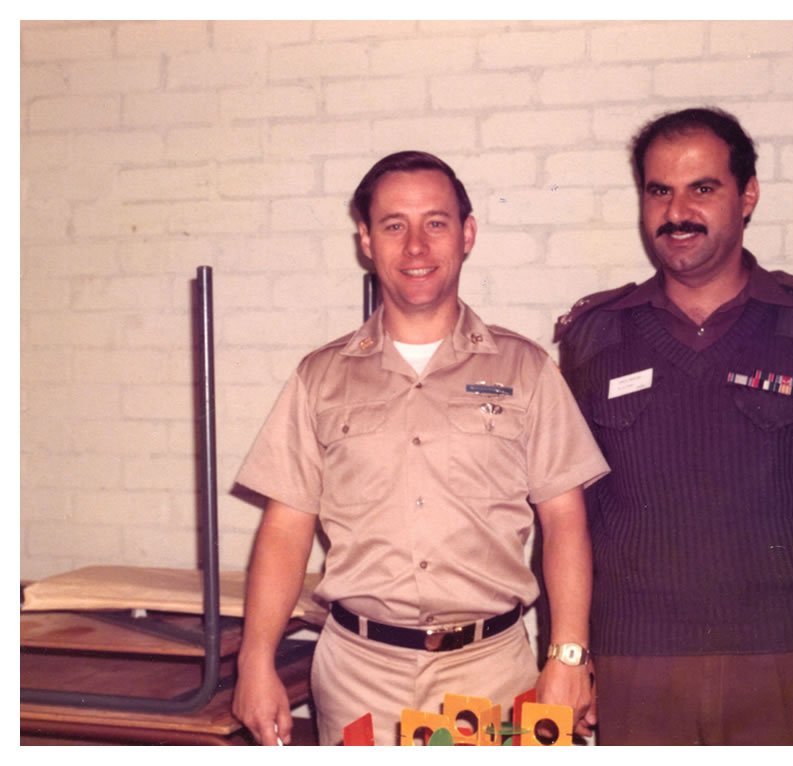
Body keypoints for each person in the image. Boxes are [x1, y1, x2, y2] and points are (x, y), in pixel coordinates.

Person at [232, 150, 609, 746]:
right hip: (358, 676)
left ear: (467, 234)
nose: (415, 246)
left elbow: (565, 519)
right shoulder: (320, 378)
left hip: (491, 674)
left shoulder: (526, 370)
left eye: (435, 223)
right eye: (393, 225)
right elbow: (285, 527)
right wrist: (255, 659)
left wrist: (568, 654)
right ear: (366, 240)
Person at [555, 107, 793, 746]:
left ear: (747, 196)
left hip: (785, 656)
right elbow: (566, 515)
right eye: (659, 191)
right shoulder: (596, 337)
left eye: (702, 188)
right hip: (636, 661)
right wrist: (569, 658)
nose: (677, 211)